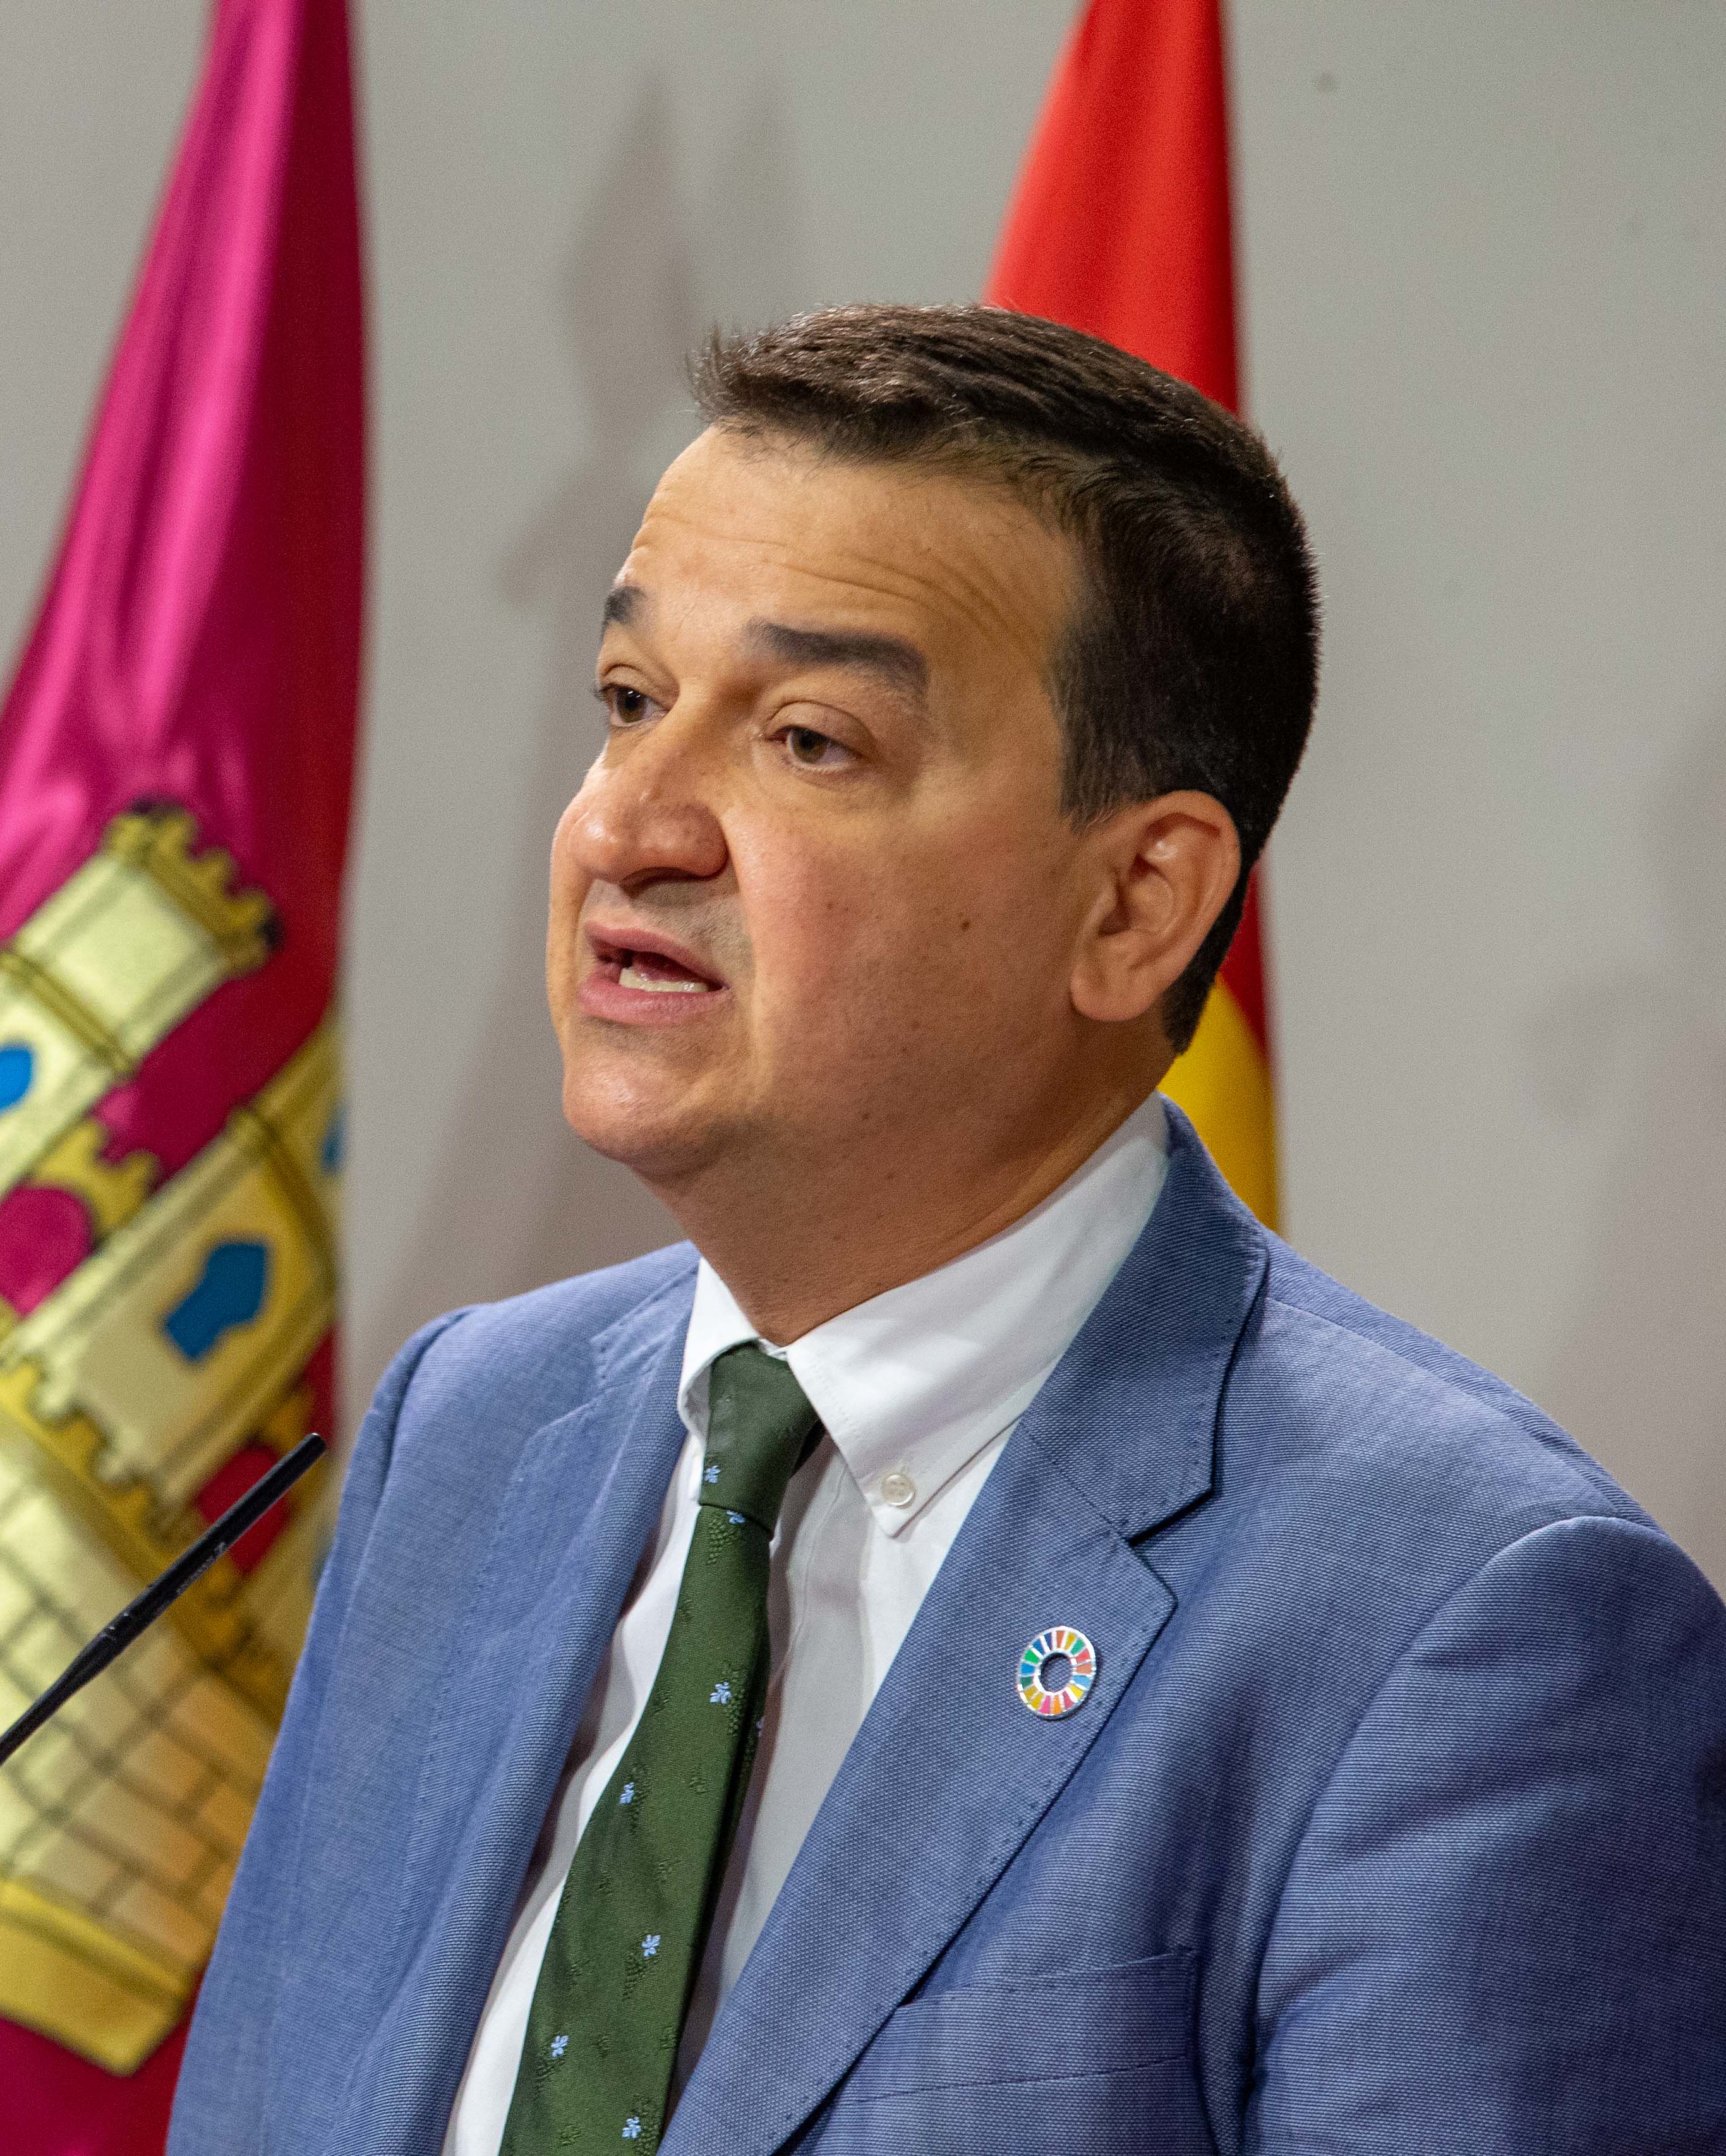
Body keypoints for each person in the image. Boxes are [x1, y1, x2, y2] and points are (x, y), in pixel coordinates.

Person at [168, 304, 1726, 2155]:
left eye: (808, 740)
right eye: (630, 701)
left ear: (1137, 905)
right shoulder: (470, 1434)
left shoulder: (1467, 1631)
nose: (630, 827)